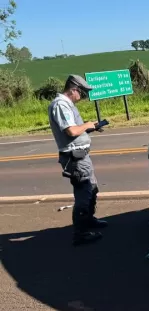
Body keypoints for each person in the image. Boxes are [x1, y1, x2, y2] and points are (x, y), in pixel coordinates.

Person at [48, 74, 108, 246]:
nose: (83, 97)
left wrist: (91, 128)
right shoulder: (61, 105)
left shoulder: (67, 104)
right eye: (82, 92)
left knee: (92, 189)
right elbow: (71, 131)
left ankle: (88, 221)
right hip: (75, 158)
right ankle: (80, 233)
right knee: (83, 194)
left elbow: (76, 131)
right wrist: (87, 125)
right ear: (73, 89)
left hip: (81, 156)